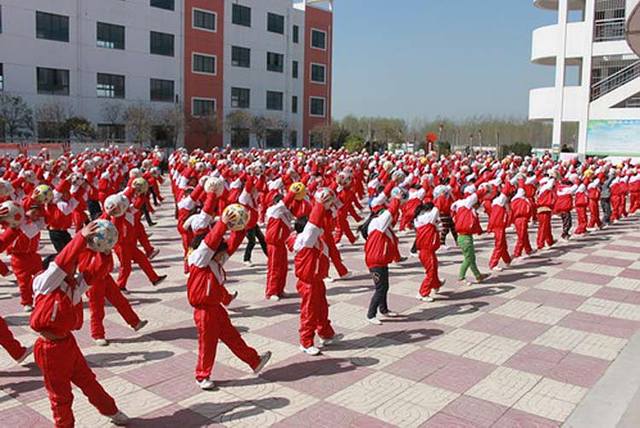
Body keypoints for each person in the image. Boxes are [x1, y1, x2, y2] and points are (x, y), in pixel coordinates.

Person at [30, 222, 128, 427]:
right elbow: (60, 263)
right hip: (49, 349)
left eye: (75, 265)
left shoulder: (72, 286)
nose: (73, 267)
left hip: (68, 344)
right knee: (61, 396)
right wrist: (81, 237)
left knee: (88, 381)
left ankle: (111, 410)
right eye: (71, 263)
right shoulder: (44, 282)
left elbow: (95, 273)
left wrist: (105, 253)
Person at [187, 211, 271, 389]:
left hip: (216, 309)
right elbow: (210, 243)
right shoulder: (199, 259)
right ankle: (202, 376)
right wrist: (223, 223)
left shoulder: (214, 261)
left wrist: (242, 226)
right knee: (207, 345)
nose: (223, 256)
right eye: (220, 253)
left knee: (233, 337)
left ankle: (254, 361)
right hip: (204, 312)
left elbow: (232, 245)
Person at [293, 190, 340, 355]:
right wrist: (319, 204)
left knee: (321, 309)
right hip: (308, 284)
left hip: (316, 281)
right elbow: (312, 226)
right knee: (309, 313)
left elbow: (318, 223)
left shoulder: (314, 240)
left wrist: (326, 207)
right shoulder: (305, 241)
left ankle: (325, 333)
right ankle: (305, 342)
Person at [362, 185, 402, 325]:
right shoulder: (378, 223)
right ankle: (370, 314)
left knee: (385, 286)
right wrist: (396, 198)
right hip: (375, 261)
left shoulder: (381, 226)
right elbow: (390, 212)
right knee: (380, 288)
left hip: (381, 260)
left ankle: (384, 309)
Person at [452, 192, 489, 286]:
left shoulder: (469, 212)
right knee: (468, 258)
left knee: (471, 258)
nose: (478, 207)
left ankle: (478, 275)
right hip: (464, 237)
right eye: (477, 205)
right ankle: (461, 277)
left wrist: (481, 231)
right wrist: (485, 189)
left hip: (466, 237)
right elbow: (474, 196)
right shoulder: (465, 209)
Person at [413, 202, 444, 302]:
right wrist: (440, 197)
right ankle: (423, 293)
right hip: (427, 251)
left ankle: (436, 284)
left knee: (433, 268)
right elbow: (436, 210)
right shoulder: (426, 218)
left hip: (426, 250)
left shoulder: (420, 220)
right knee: (431, 271)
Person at [487, 190, 512, 272]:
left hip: (500, 227)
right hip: (499, 227)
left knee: (503, 244)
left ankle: (507, 260)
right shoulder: (499, 203)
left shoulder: (497, 205)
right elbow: (505, 190)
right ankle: (493, 263)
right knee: (499, 245)